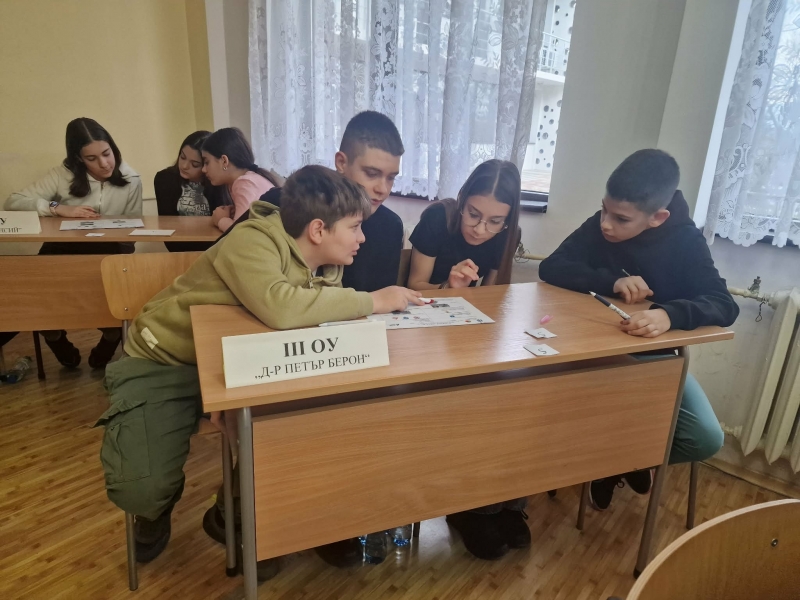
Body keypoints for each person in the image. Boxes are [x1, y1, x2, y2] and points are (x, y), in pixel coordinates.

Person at [94, 165, 423, 579]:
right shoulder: (252, 240)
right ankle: (155, 509)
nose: (363, 238)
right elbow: (282, 307)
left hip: (238, 363)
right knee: (143, 488)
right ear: (318, 230)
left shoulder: (325, 268)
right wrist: (374, 301)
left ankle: (232, 514)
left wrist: (234, 393)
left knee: (283, 434)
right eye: (355, 227)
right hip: (165, 361)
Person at [538, 149, 739, 511]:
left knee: (705, 437)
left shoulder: (686, 241)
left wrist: (669, 315)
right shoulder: (602, 225)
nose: (605, 224)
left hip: (654, 362)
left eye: (621, 219)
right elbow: (552, 266)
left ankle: (617, 463)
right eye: (603, 210)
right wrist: (611, 281)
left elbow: (724, 304)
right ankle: (614, 458)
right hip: (590, 354)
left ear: (658, 217)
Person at [407, 159, 526, 561]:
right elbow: (413, 286)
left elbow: (489, 297)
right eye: (473, 214)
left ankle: (507, 502)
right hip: (424, 335)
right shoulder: (437, 220)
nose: (480, 228)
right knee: (469, 405)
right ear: (462, 201)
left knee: (513, 393)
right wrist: (449, 286)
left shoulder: (505, 235)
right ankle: (470, 507)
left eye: (495, 222)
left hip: (470, 335)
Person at [2, 117, 142, 368]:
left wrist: (123, 260)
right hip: (60, 250)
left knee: (111, 306)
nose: (104, 164)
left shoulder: (131, 179)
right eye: (91, 158)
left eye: (106, 153)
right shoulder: (61, 174)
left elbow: (132, 229)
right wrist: (56, 208)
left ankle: (111, 336)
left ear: (113, 147)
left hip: (106, 252)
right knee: (36, 297)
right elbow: (13, 202)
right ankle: (54, 335)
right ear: (78, 158)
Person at [216, 111, 406, 292]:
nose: (383, 189)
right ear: (341, 162)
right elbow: (224, 260)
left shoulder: (390, 228)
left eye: (391, 178)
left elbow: (380, 303)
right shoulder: (281, 202)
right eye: (371, 174)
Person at [154, 130, 224, 252]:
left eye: (195, 164)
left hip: (215, 249)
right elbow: (167, 225)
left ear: (207, 165)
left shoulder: (219, 182)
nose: (184, 166)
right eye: (182, 157)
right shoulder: (164, 179)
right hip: (178, 249)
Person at [200, 127, 279, 233]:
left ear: (224, 161)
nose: (203, 169)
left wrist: (221, 220)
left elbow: (241, 233)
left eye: (207, 162)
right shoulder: (246, 179)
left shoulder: (245, 183)